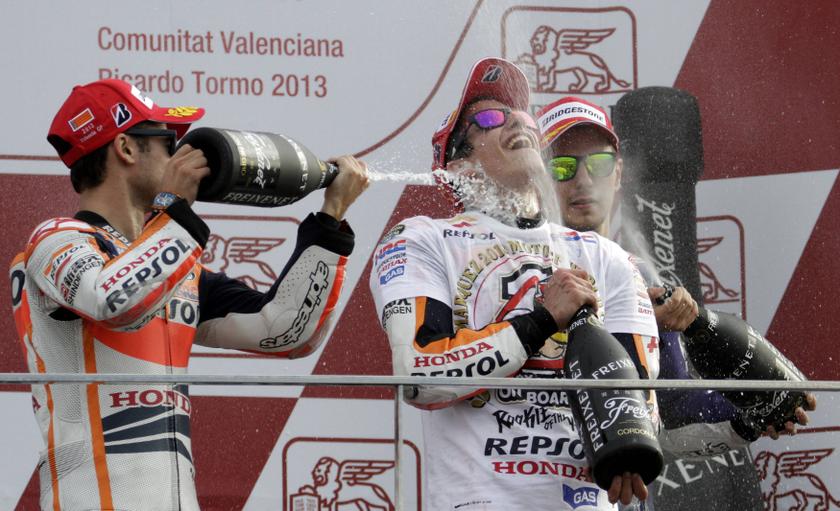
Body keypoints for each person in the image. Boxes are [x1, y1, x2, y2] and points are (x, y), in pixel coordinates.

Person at [8, 78, 368, 511]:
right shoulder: (55, 241)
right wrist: (174, 209)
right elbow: (112, 301)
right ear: (125, 148)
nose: (182, 154)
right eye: (169, 141)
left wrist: (330, 221)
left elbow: (285, 331)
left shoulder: (176, 269)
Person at [369, 57, 660, 509]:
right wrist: (542, 320)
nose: (516, 122)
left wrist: (631, 445)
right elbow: (418, 377)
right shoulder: (423, 239)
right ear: (460, 168)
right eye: (488, 119)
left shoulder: (607, 257)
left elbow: (642, 396)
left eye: (522, 115)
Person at [536, 96, 816, 504]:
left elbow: (672, 411)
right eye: (562, 167)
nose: (582, 181)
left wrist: (752, 415)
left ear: (619, 174)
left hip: (605, 497)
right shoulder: (506, 267)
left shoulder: (639, 276)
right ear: (539, 178)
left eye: (598, 164)